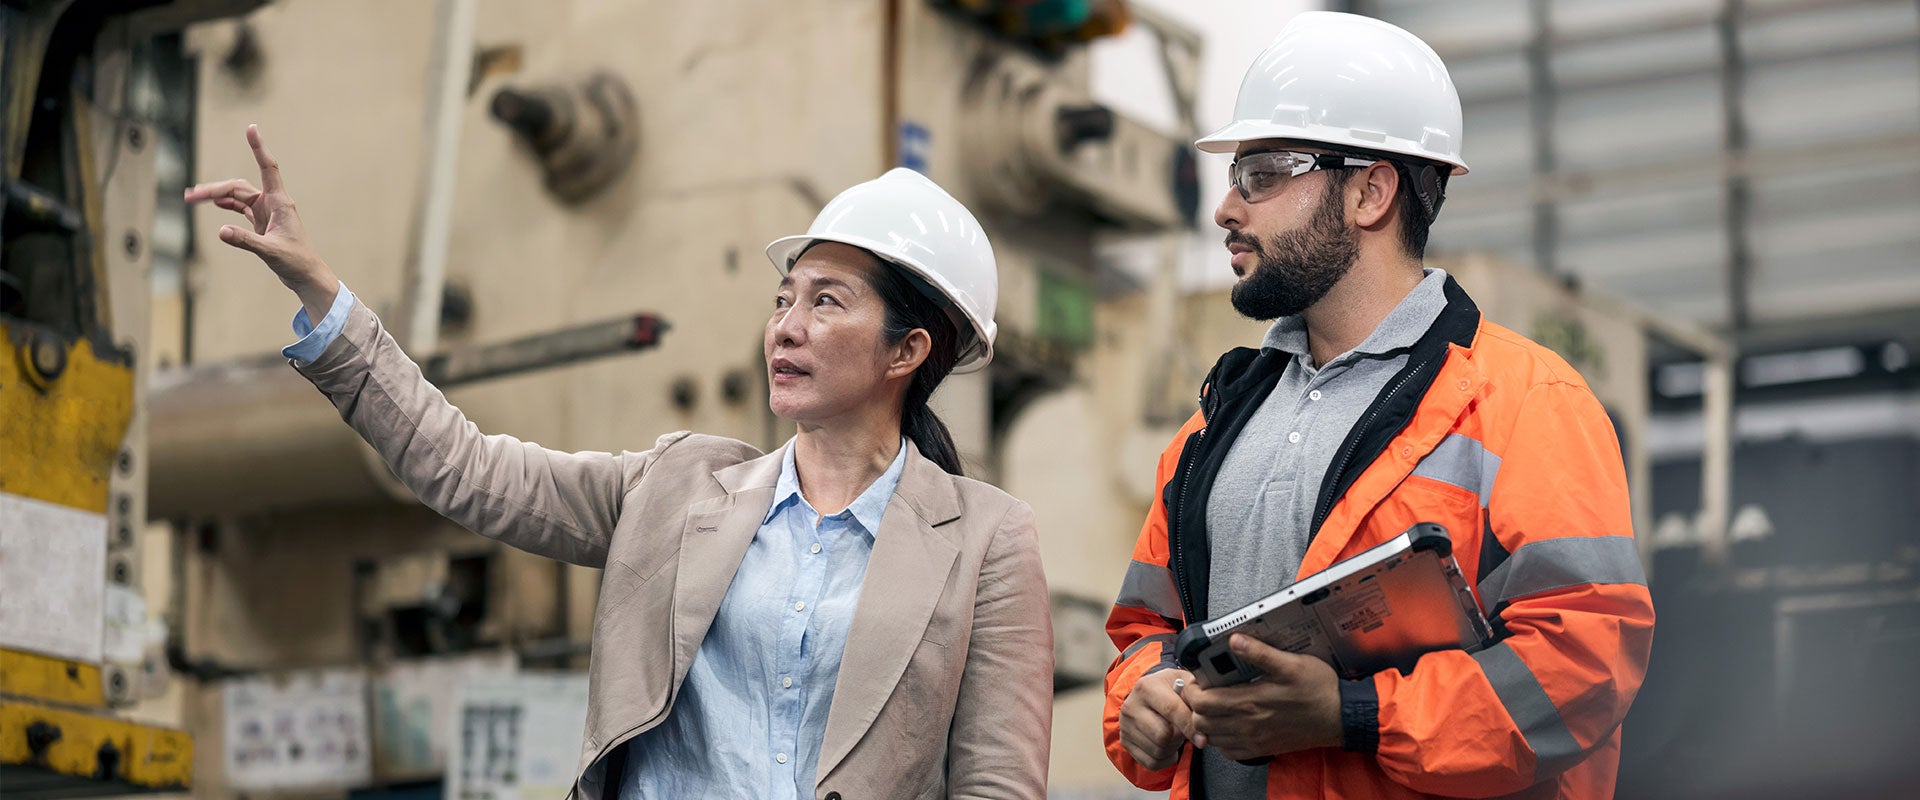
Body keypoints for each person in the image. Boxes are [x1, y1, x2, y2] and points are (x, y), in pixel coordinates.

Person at [188, 126, 1052, 800]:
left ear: (907, 350)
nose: (786, 325)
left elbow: (997, 784)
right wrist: (321, 294)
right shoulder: (677, 489)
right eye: (784, 298)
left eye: (827, 302)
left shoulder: (986, 542)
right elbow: (467, 469)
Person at [1100, 12, 1654, 800]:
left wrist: (1357, 715)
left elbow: (1586, 663)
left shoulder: (1529, 403)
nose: (1226, 208)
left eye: (1262, 174)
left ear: (1370, 191)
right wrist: (1144, 700)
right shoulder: (1212, 427)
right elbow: (1143, 633)